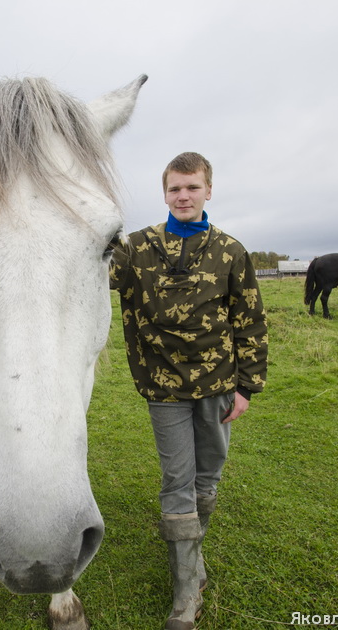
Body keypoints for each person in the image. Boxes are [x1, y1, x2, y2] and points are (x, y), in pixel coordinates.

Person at [110, 152, 268, 629]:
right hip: (162, 387)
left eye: (192, 187)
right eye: (175, 188)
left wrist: (246, 387)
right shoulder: (135, 248)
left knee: (207, 480)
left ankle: (192, 557)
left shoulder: (230, 251)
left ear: (208, 191)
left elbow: (249, 320)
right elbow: (88, 271)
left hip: (218, 385)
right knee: (177, 481)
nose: (183, 196)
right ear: (164, 193)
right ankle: (185, 593)